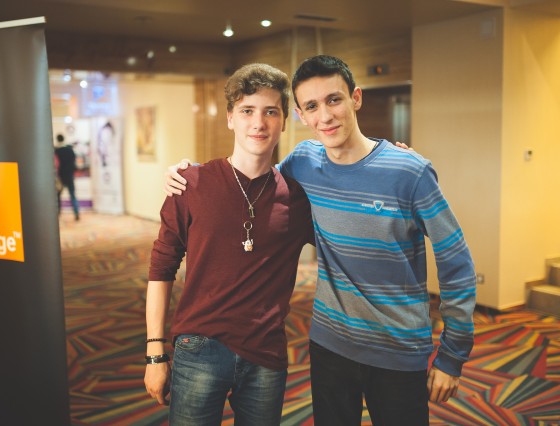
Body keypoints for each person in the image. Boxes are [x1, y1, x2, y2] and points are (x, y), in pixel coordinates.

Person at [165, 55, 476, 425]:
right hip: (330, 347)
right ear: (300, 116)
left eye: (334, 100)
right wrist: (193, 175)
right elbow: (254, 187)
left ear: (355, 98)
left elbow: (457, 264)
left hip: (397, 350)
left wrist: (452, 355)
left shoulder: (409, 172)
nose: (325, 116)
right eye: (312, 106)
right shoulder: (303, 162)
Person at [144, 63, 314, 425]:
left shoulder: (298, 197)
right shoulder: (190, 183)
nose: (259, 123)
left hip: (266, 353)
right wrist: (155, 352)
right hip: (199, 348)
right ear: (230, 118)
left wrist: (392, 158)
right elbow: (161, 267)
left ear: (284, 121)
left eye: (271, 112)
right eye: (247, 111)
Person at [54, 134, 80, 221]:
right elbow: (74, 161)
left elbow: (55, 164)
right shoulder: (69, 150)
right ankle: (76, 213)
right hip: (69, 175)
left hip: (60, 176)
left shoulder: (57, 151)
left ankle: (58, 213)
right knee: (72, 195)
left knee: (58, 196)